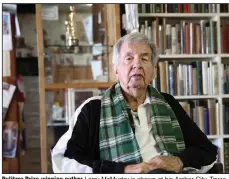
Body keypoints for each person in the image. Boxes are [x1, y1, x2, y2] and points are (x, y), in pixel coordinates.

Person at [51, 32, 218, 174]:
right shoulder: (93, 109)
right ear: (116, 70)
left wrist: (179, 161)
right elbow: (62, 161)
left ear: (153, 72)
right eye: (129, 58)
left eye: (144, 59)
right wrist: (123, 170)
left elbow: (208, 151)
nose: (137, 65)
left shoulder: (168, 104)